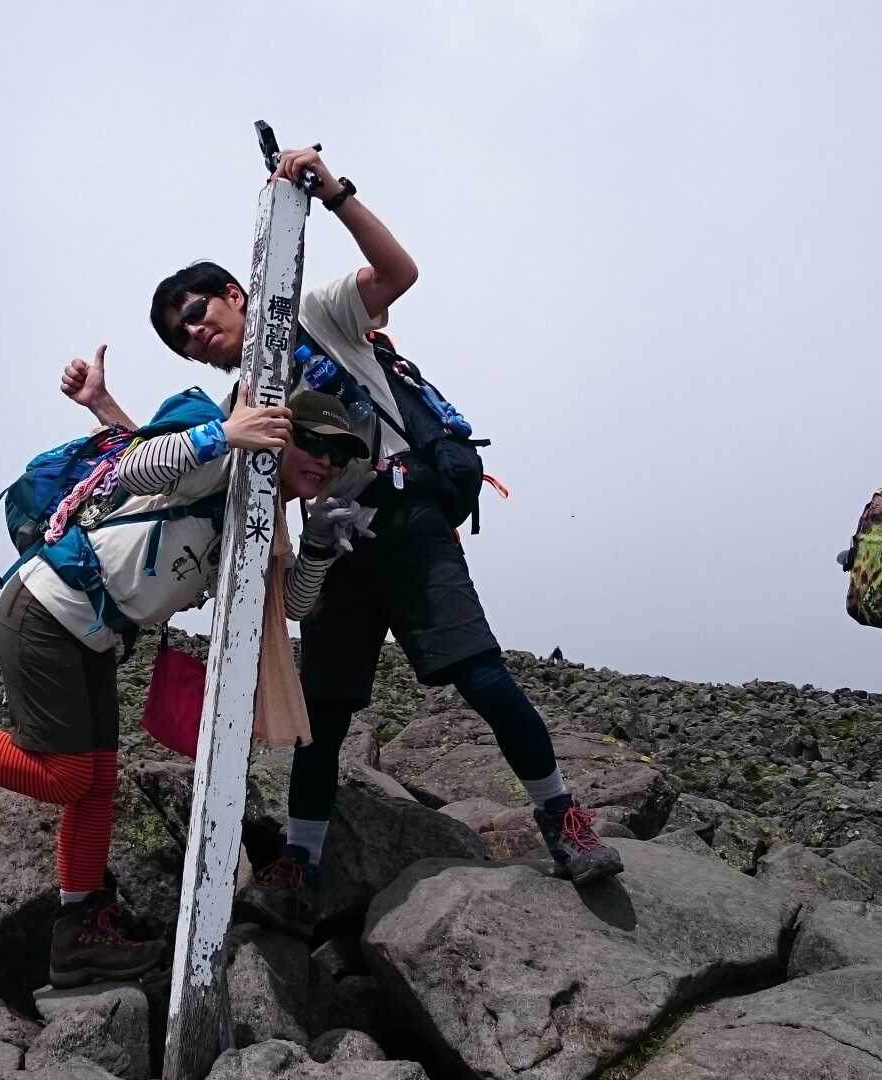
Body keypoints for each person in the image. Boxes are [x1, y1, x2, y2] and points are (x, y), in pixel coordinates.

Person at [121, 142, 623, 937]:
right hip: (335, 545)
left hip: (408, 515)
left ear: (233, 294)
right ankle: (301, 860)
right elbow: (179, 475)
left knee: (482, 677)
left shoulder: (317, 313)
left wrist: (334, 192)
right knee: (323, 713)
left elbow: (398, 273)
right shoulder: (241, 402)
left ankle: (563, 818)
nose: (194, 338)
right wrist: (108, 411)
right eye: (180, 341)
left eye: (194, 316)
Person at [0, 389, 366, 987]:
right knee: (66, 776)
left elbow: (291, 603)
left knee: (97, 783)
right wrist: (223, 435)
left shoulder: (267, 516)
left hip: (91, 634)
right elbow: (134, 467)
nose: (325, 460)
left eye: (339, 454)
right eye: (312, 442)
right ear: (280, 432)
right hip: (47, 609)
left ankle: (77, 931)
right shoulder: (227, 460)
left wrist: (319, 545)